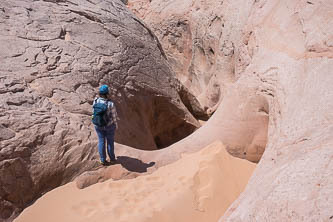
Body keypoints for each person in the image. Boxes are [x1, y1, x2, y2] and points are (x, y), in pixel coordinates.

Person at [92, 85, 118, 166]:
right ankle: (112, 159)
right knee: (110, 142)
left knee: (101, 141)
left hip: (98, 125)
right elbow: (114, 116)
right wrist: (116, 125)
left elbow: (94, 111)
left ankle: (103, 160)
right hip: (109, 126)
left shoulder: (95, 101)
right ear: (107, 93)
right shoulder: (110, 103)